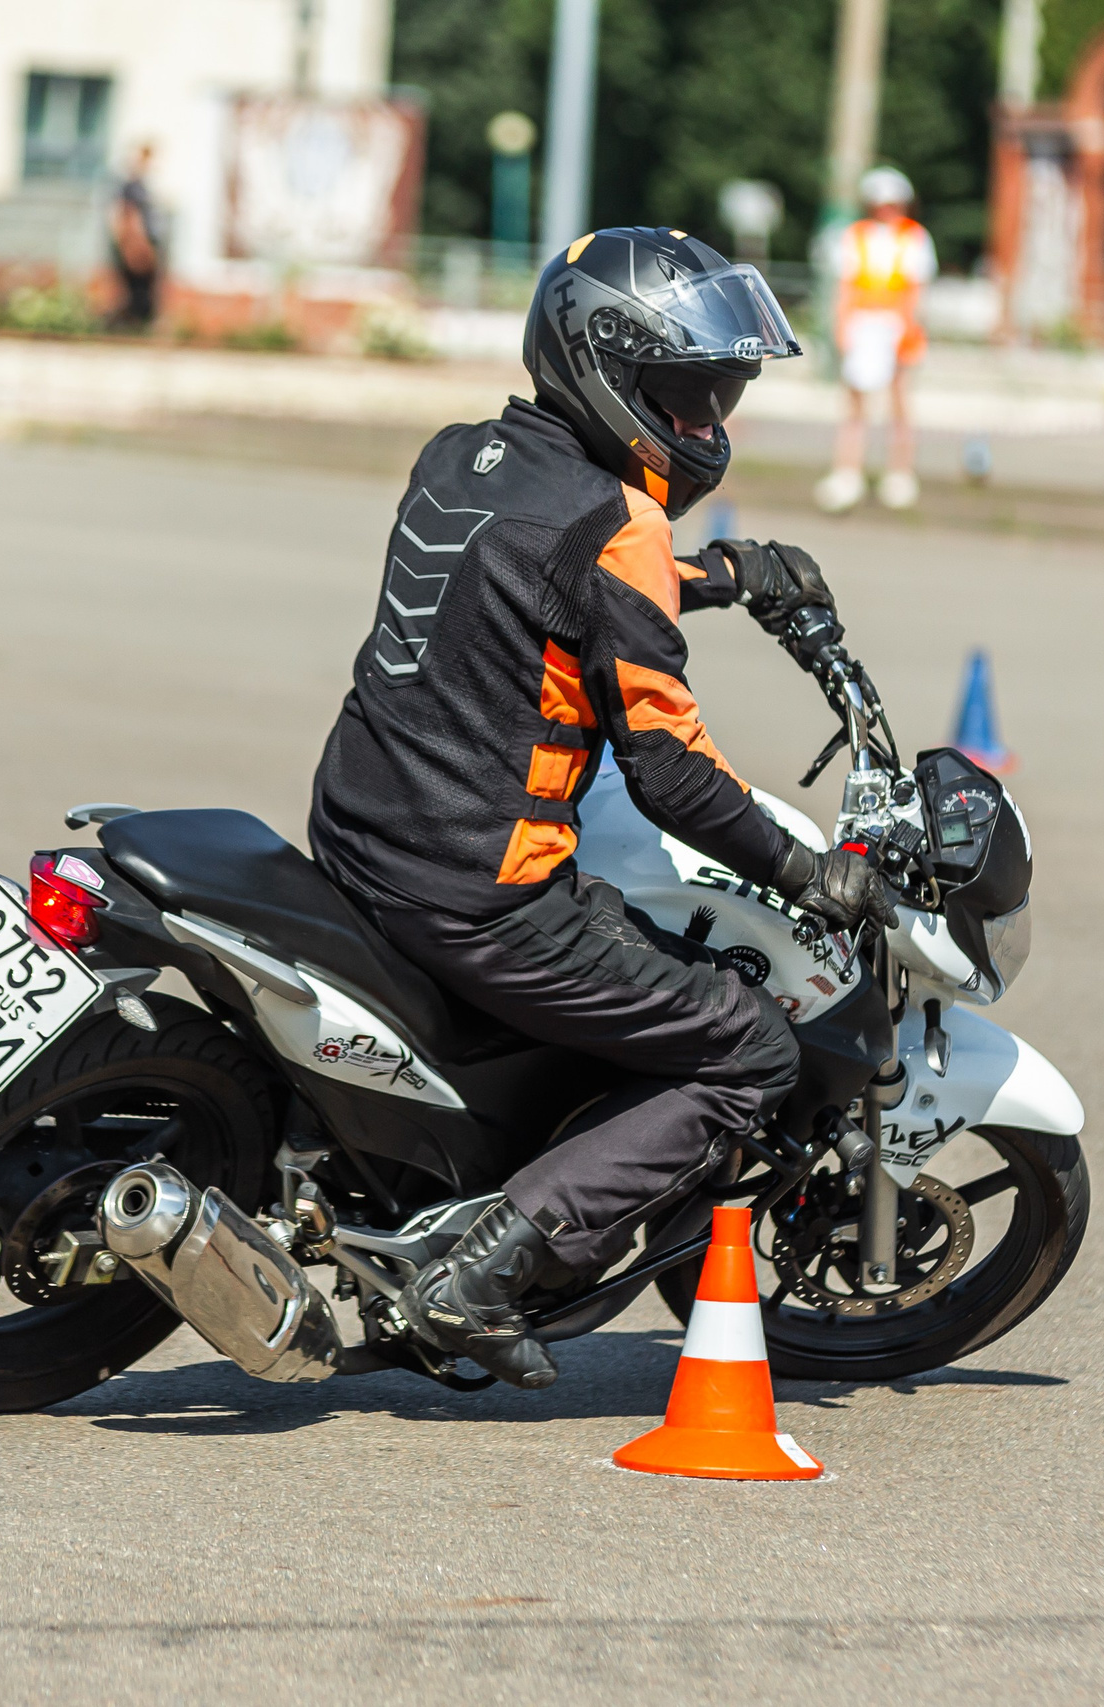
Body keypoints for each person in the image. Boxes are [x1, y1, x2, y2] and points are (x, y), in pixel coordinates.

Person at [307, 228, 898, 1390]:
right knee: (746, 1046)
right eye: (686, 392)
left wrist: (724, 578)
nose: (706, 418)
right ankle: (485, 1271)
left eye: (718, 392)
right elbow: (672, 777)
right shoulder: (619, 524)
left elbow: (539, 577)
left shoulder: (460, 456)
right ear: (606, 370)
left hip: (362, 837)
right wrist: (808, 872)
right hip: (479, 892)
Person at [817, 166, 937, 514]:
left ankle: (900, 474)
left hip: (897, 325)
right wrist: (841, 327)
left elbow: (916, 290)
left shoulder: (915, 237)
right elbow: (846, 286)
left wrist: (910, 330)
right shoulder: (855, 236)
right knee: (855, 405)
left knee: (899, 403)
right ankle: (847, 472)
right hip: (863, 325)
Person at [108, 142, 163, 333]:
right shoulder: (132, 187)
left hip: (143, 243)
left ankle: (135, 326)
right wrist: (135, 246)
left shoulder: (140, 187)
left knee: (144, 291)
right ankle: (131, 327)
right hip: (138, 244)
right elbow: (129, 217)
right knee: (138, 292)